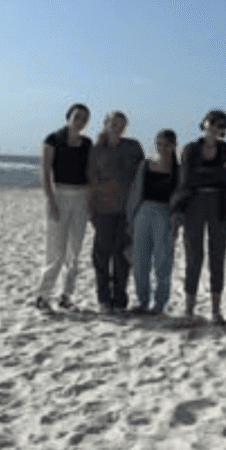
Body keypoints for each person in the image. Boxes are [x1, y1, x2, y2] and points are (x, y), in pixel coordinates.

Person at [174, 109, 226, 326]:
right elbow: (187, 178)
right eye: (213, 123)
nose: (216, 128)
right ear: (204, 123)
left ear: (224, 130)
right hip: (193, 205)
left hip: (218, 205)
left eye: (221, 125)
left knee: (217, 256)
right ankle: (189, 310)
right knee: (194, 256)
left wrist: (205, 174)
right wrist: (215, 174)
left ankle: (216, 311)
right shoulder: (191, 148)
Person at [35, 103, 92, 312]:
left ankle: (66, 296)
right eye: (77, 116)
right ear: (68, 116)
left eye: (85, 117)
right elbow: (45, 171)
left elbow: (89, 174)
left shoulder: (87, 143)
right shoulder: (53, 139)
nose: (81, 120)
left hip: (81, 198)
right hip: (59, 194)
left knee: (74, 251)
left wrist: (89, 203)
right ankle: (43, 295)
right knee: (55, 250)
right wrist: (50, 200)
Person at [88, 110, 145, 313]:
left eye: (122, 123)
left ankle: (120, 300)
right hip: (103, 210)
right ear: (105, 123)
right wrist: (90, 211)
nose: (117, 126)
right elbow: (91, 183)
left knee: (123, 257)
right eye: (114, 122)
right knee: (101, 257)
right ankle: (104, 300)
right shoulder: (95, 151)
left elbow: (142, 177)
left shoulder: (133, 147)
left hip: (128, 211)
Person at [127, 129, 179, 315]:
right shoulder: (146, 165)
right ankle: (141, 301)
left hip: (165, 214)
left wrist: (176, 223)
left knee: (163, 261)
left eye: (167, 144)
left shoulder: (177, 170)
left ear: (173, 145)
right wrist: (130, 219)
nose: (163, 148)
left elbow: (179, 200)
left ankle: (159, 303)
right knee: (140, 260)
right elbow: (135, 193)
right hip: (143, 212)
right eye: (159, 143)